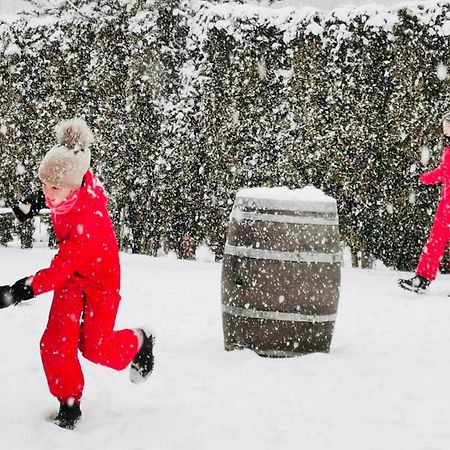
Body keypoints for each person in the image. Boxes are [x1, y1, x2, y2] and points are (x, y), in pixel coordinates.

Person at [0, 118, 155, 430]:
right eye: (44, 185)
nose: (48, 193)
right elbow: (60, 183)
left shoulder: (89, 221)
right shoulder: (72, 183)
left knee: (96, 348)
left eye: (52, 189)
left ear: (71, 187)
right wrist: (33, 199)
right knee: (57, 343)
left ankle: (140, 341)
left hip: (99, 282)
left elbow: (57, 272)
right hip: (72, 278)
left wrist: (17, 291)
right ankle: (69, 404)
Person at [398, 112, 450, 294]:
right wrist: (422, 179)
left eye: (447, 123)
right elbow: (444, 171)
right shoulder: (448, 147)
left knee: (435, 242)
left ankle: (422, 279)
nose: (445, 127)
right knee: (435, 242)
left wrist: (422, 179)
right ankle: (422, 278)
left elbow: (445, 172)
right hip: (446, 205)